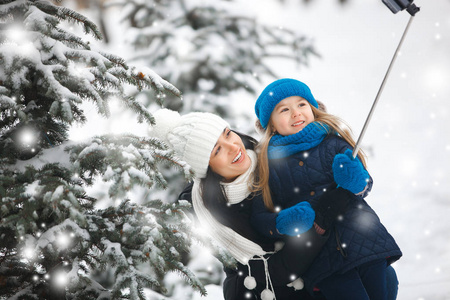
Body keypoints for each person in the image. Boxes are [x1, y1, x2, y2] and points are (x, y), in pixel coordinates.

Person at [149, 108, 399, 300]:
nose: (233, 146)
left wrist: (349, 181)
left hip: (317, 269)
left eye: (227, 133)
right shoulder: (205, 210)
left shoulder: (272, 157)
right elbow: (274, 271)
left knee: (382, 277)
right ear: (207, 168)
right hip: (265, 289)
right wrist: (319, 222)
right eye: (216, 151)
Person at [252, 78, 402, 300]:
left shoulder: (333, 142)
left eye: (302, 104)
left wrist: (355, 180)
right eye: (284, 109)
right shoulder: (268, 164)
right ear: (271, 124)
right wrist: (283, 221)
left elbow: (365, 183)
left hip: (365, 242)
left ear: (312, 107)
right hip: (322, 259)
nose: (296, 113)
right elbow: (259, 217)